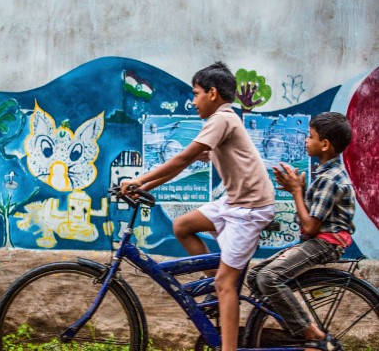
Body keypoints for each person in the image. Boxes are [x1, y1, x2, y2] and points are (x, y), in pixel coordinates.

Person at [121, 61, 275, 351]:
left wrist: (139, 179)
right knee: (183, 225)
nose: (193, 102)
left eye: (196, 94)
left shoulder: (222, 119)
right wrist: (143, 187)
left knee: (226, 284)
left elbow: (181, 158)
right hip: (233, 202)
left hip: (251, 208)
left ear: (213, 93)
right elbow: (184, 164)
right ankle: (217, 294)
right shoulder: (219, 123)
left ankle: (226, 330)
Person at [247, 112, 354, 351]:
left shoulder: (331, 179)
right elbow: (313, 216)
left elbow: (310, 226)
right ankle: (296, 331)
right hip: (318, 239)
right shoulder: (324, 174)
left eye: (310, 136)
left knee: (269, 277)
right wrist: (300, 190)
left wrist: (296, 192)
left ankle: (313, 335)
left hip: (327, 243)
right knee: (255, 277)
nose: (306, 140)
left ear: (324, 144)